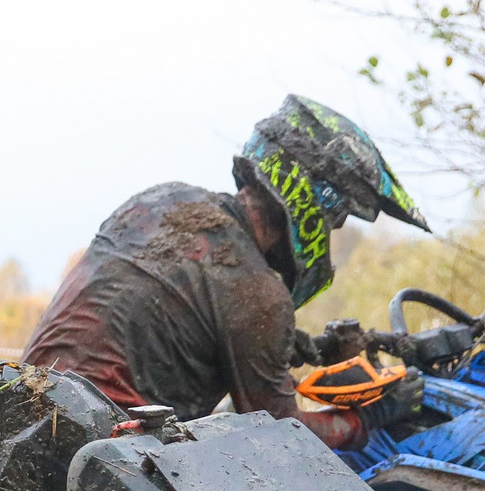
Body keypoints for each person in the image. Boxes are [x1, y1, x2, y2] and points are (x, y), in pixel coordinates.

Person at [21, 94, 431, 450]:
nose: (334, 229)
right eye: (337, 216)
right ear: (312, 197)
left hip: (22, 404)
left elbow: (170, 312)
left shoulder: (161, 200)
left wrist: (296, 345)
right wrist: (371, 419)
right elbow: (281, 435)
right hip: (103, 451)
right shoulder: (256, 293)